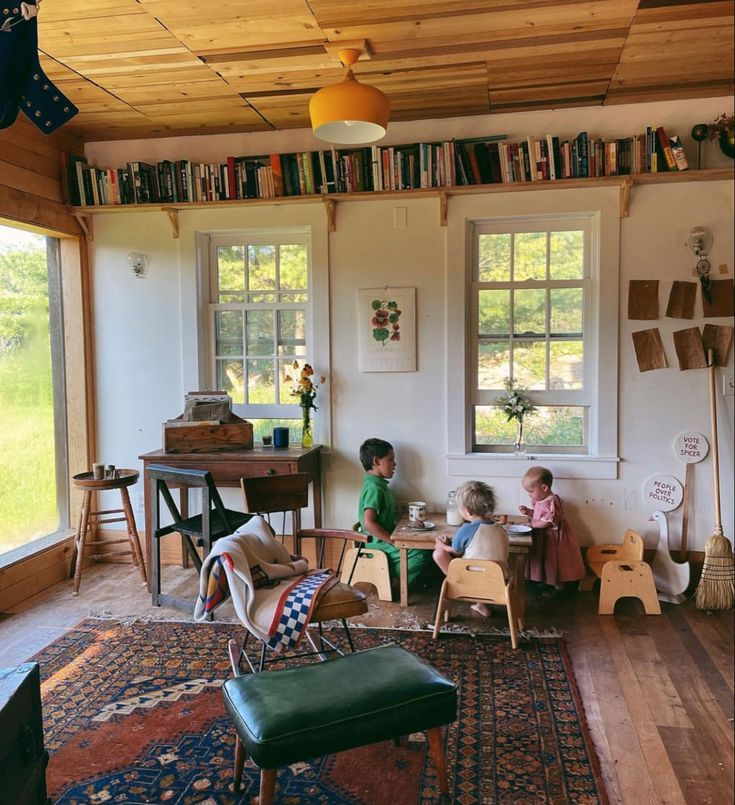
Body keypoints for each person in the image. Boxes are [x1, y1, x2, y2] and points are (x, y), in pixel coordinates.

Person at [357, 438, 428, 591]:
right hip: (379, 544)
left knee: (422, 546)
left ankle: (399, 576)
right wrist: (392, 540)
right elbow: (369, 523)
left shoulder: (380, 486)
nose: (395, 464)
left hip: (385, 540)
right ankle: (394, 578)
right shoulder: (374, 488)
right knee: (422, 553)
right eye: (391, 459)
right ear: (376, 461)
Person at [432, 480, 508, 617]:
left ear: (467, 510)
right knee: (483, 560)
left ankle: (455, 584)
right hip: (499, 583)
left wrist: (442, 545)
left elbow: (457, 551)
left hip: (472, 581)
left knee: (438, 554)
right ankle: (481, 605)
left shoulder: (467, 529)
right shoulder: (499, 528)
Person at [519, 466, 585, 592]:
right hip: (546, 537)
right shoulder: (541, 500)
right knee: (547, 560)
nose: (529, 495)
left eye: (531, 491)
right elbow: (540, 515)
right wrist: (528, 512)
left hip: (555, 539)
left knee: (556, 561)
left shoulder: (552, 501)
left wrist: (532, 525)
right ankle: (548, 581)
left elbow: (548, 522)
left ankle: (559, 587)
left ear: (544, 488)